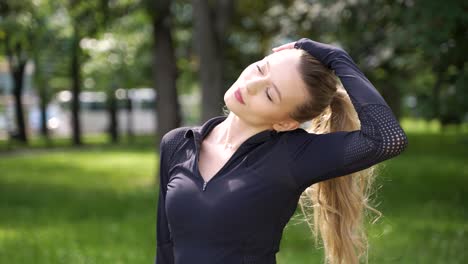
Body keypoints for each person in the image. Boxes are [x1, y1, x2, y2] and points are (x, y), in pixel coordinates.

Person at [154, 37, 408, 264]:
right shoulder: (178, 143)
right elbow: (165, 245)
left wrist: (337, 58)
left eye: (269, 94)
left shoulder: (293, 155)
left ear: (285, 123)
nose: (251, 85)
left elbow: (386, 139)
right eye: (260, 68)